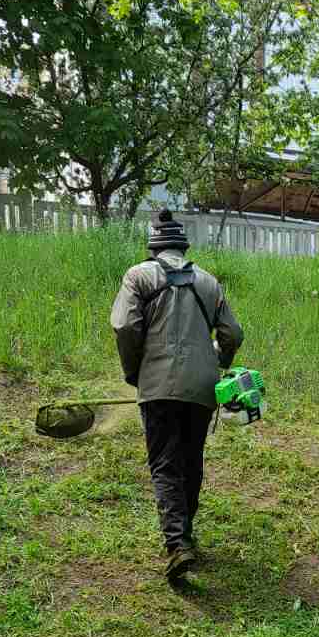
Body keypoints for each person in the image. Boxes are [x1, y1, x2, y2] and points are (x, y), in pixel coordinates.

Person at [110, 210, 243, 585]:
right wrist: (218, 362)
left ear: (153, 248)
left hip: (158, 385)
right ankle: (186, 534)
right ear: (183, 248)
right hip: (202, 389)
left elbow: (125, 326)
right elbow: (233, 334)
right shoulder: (209, 282)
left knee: (165, 464)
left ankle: (177, 543)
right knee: (190, 461)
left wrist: (134, 371)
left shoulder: (139, 276)